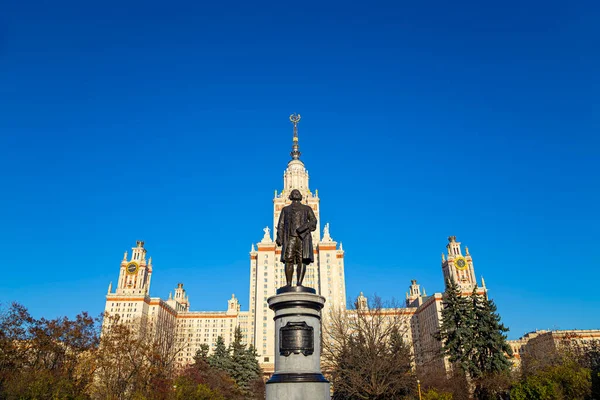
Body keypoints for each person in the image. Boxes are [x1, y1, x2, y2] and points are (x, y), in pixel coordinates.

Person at [276, 189, 317, 286]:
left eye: (298, 193)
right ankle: (288, 284)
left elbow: (313, 221)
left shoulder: (307, 209)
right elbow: (281, 224)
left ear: (301, 196)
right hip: (290, 238)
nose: (296, 193)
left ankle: (299, 283)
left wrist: (304, 227)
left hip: (302, 238)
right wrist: (279, 237)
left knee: (302, 259)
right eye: (294, 192)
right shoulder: (285, 209)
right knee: (288, 259)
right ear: (290, 196)